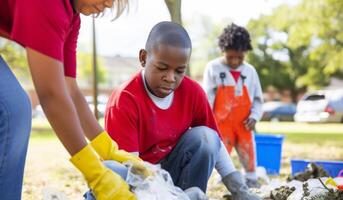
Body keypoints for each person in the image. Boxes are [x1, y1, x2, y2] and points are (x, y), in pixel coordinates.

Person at [0, 0, 144, 199]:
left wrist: (109, 149)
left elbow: (70, 90)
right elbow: (51, 95)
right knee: (12, 109)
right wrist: (95, 173)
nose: (110, 4)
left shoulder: (71, 17)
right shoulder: (48, 5)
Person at [103, 21, 260, 200]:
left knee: (206, 137)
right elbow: (131, 169)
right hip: (136, 181)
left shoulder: (192, 92)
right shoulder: (125, 99)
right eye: (162, 68)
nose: (170, 78)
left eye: (179, 71)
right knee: (112, 170)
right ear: (143, 58)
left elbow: (215, 143)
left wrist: (238, 188)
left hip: (172, 176)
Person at [203, 23, 263, 188]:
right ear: (222, 51)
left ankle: (251, 179)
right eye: (230, 57)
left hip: (244, 124)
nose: (235, 61)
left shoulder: (250, 71)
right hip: (220, 123)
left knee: (248, 153)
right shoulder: (213, 68)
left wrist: (255, 116)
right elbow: (207, 98)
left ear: (246, 53)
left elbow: (258, 99)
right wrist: (207, 123)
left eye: (240, 57)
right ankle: (220, 179)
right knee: (220, 154)